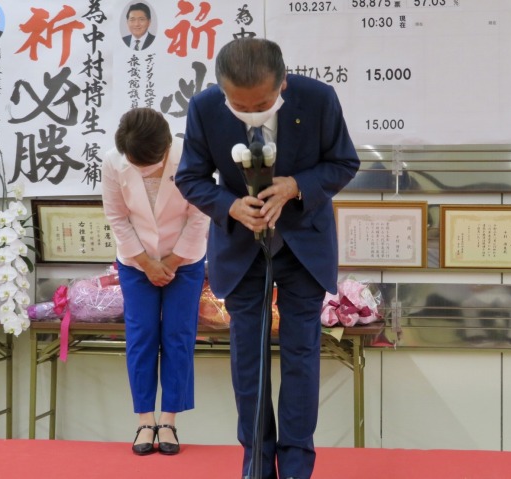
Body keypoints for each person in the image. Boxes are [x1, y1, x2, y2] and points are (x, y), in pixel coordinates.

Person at [175, 38, 359, 479]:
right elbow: (190, 177)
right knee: (248, 359)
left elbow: (343, 163)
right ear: (222, 90)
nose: (251, 114)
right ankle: (256, 464)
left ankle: (296, 466)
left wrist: (296, 186)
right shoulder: (204, 107)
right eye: (239, 106)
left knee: (301, 356)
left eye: (261, 105)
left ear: (283, 84)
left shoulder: (318, 98)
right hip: (241, 249)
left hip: (304, 246)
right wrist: (230, 206)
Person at [102, 108, 209, 456]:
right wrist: (147, 263)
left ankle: (169, 421)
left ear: (165, 147)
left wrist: (172, 261)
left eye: (148, 164)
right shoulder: (113, 162)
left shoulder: (192, 155)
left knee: (178, 335)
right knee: (141, 336)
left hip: (185, 260)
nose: (142, 170)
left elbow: (200, 215)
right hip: (136, 262)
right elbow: (117, 217)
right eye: (136, 164)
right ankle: (145, 420)